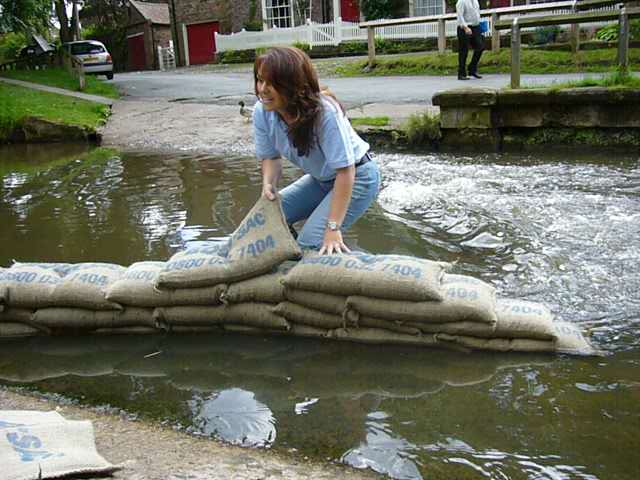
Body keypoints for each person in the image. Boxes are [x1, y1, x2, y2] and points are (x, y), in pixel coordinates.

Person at [252, 47, 381, 255]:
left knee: (311, 243)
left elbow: (345, 172)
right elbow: (270, 157)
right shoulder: (262, 111)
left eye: (272, 83)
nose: (263, 89)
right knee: (264, 222)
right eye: (260, 80)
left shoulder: (325, 112)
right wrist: (268, 184)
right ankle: (291, 261)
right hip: (321, 180)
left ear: (292, 85)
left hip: (358, 177)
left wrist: (333, 228)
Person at [456, 0, 484, 80]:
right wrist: (465, 27)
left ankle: (472, 69)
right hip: (464, 28)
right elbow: (460, 16)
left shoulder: (475, 1)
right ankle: (461, 74)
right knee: (463, 51)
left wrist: (479, 24)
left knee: (480, 47)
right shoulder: (461, 1)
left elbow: (477, 13)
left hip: (475, 27)